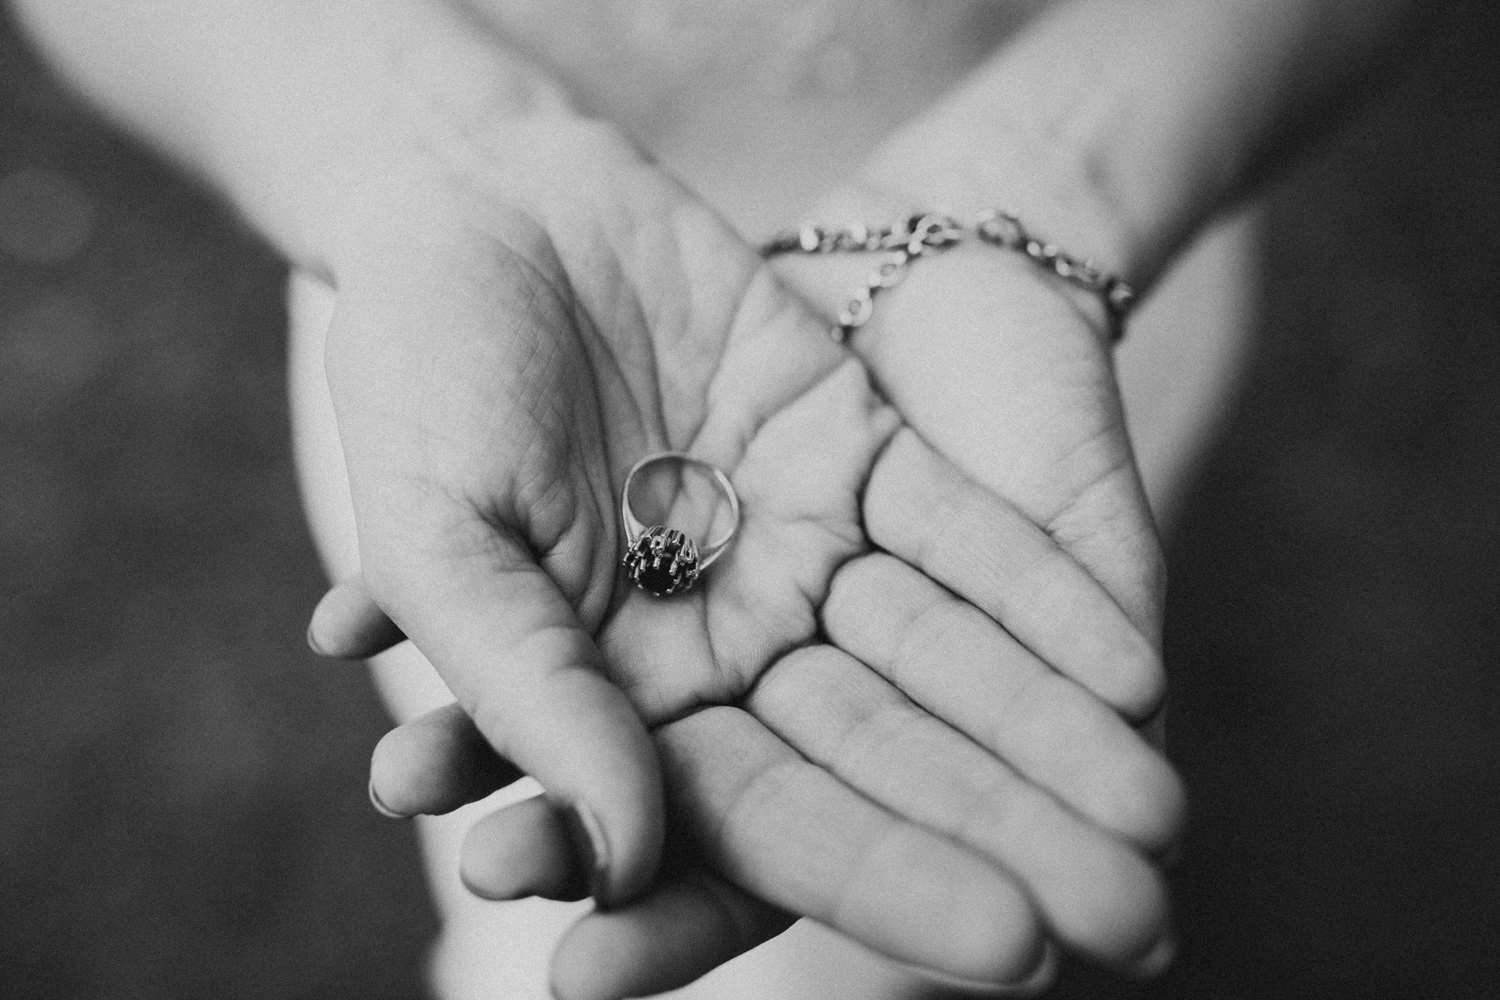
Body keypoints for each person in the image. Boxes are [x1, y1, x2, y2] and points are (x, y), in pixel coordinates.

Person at [9, 0, 1425, 997]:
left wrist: (1068, 168)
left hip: (1008, 290)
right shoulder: (630, 495)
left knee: (997, 704)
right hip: (511, 323)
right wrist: (425, 158)